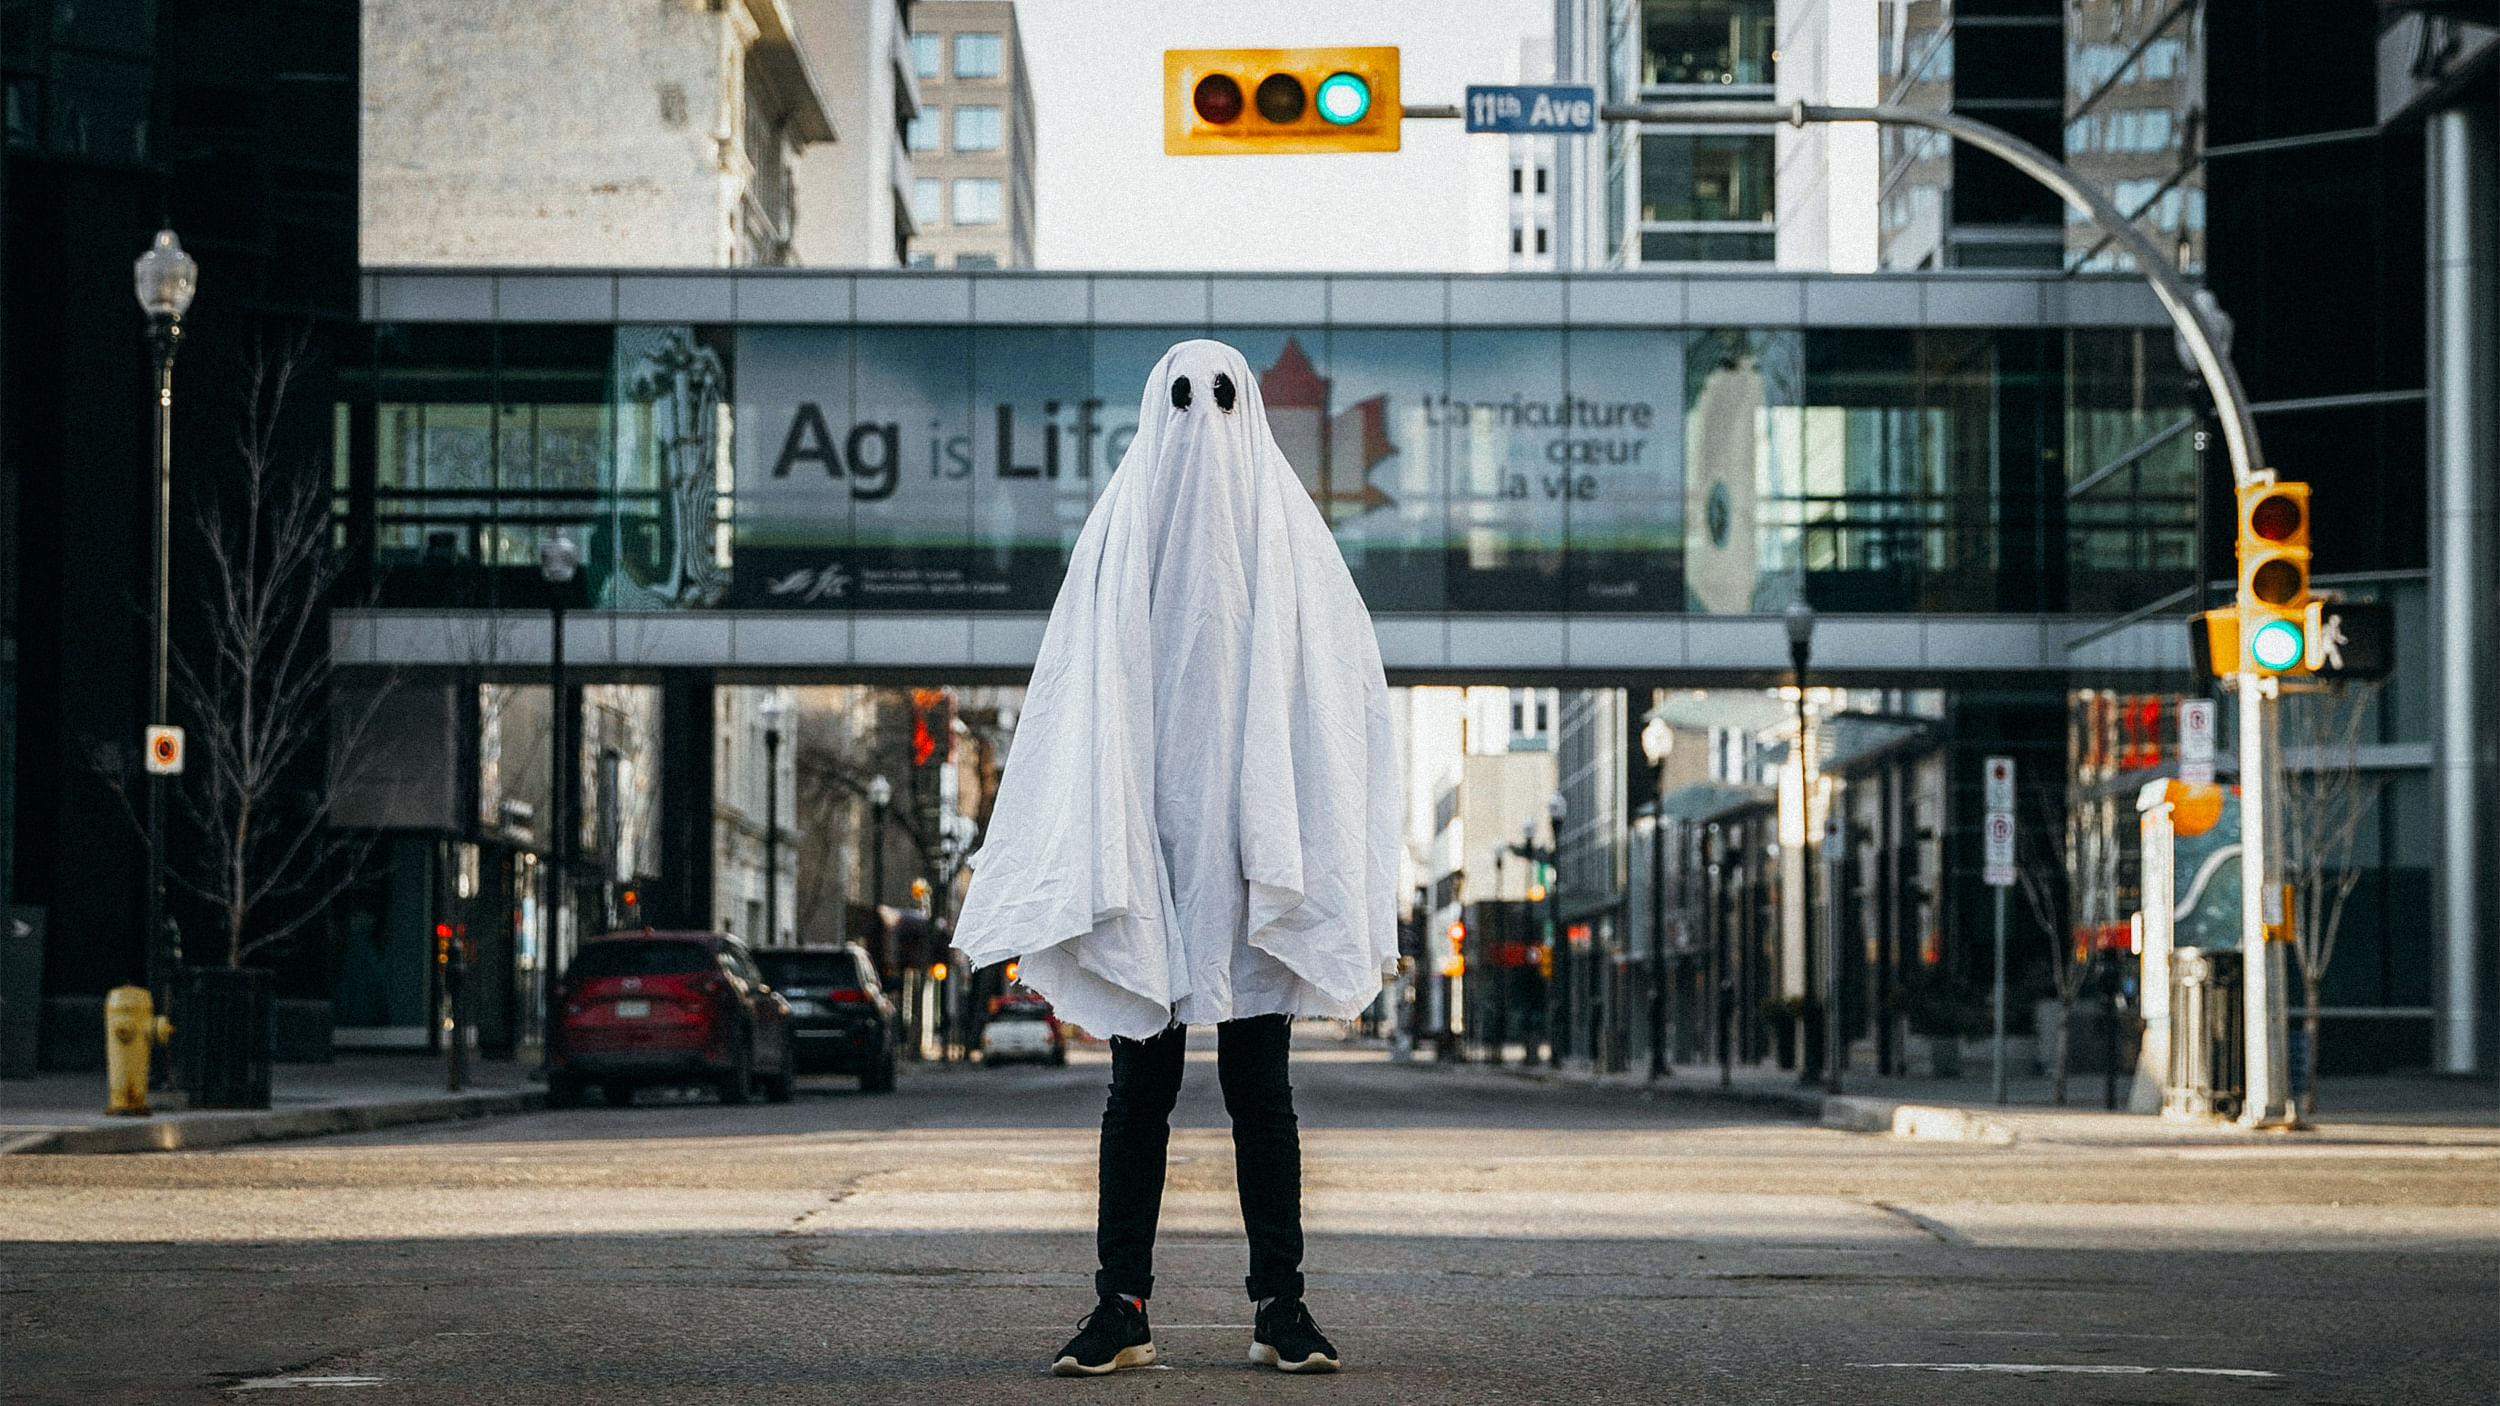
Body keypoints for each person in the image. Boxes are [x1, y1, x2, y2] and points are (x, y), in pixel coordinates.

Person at [952, 340, 1400, 1377]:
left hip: (1251, 862)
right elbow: (1076, 693)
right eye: (1182, 396)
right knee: (1137, 1096)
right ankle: (1122, 1303)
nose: (1202, 416)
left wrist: (1301, 844)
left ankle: (1280, 1303)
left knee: (1262, 1094)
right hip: (1145, 862)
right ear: (1157, 410)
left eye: (1223, 395)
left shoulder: (1289, 543)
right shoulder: (1119, 539)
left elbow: (1338, 699)